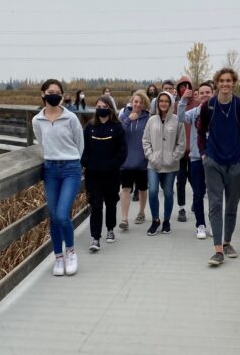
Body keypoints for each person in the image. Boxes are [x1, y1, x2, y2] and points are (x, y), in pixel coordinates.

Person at [197, 68, 240, 266]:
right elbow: (200, 132)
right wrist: (204, 154)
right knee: (215, 204)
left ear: (234, 83)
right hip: (213, 162)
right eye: (221, 81)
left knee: (231, 205)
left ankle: (227, 242)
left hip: (235, 163)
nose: (225, 84)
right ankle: (218, 250)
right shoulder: (208, 106)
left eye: (228, 80)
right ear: (216, 83)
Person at [32, 79, 84, 276]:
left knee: (62, 214)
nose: (54, 94)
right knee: (53, 217)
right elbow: (41, 141)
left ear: (61, 95)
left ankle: (70, 252)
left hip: (70, 168)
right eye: (50, 91)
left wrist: (74, 160)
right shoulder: (37, 120)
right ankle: (58, 257)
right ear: (43, 94)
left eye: (57, 91)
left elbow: (79, 143)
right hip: (50, 169)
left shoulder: (70, 118)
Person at [81, 95, 127, 253]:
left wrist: (113, 165)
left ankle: (110, 229)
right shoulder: (90, 127)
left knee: (111, 202)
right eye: (98, 106)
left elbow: (123, 151)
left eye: (104, 106)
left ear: (110, 108)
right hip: (93, 174)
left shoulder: (117, 127)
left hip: (111, 174)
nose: (101, 109)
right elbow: (83, 147)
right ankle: (95, 237)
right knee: (95, 205)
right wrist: (86, 162)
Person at [142, 91, 185, 235]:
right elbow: (145, 140)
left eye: (167, 101)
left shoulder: (177, 120)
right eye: (161, 101)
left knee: (168, 193)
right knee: (153, 192)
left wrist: (174, 157)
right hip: (153, 164)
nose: (164, 103)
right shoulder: (151, 120)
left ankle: (166, 220)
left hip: (171, 164)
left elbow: (181, 142)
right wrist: (150, 155)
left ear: (171, 103)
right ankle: (155, 220)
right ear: (157, 103)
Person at [177, 81, 213, 239]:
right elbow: (180, 117)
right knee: (198, 194)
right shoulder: (194, 112)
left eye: (208, 92)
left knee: (214, 194)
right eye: (202, 92)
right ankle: (200, 225)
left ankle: (214, 222)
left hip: (214, 159)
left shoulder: (219, 111)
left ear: (213, 94)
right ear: (199, 95)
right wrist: (183, 100)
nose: (205, 95)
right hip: (197, 158)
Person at [119, 90, 151, 228]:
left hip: (142, 161)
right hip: (126, 161)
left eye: (140, 102)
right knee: (125, 189)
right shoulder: (123, 115)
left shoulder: (149, 118)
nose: (137, 104)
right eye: (135, 101)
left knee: (142, 189)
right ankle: (124, 219)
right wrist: (128, 120)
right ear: (131, 102)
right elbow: (119, 133)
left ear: (144, 104)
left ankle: (141, 212)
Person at [174, 75, 200, 222]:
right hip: (180, 150)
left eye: (187, 86)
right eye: (181, 87)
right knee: (181, 179)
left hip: (195, 150)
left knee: (195, 179)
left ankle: (196, 202)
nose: (184, 89)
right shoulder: (176, 105)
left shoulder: (198, 104)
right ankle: (181, 208)